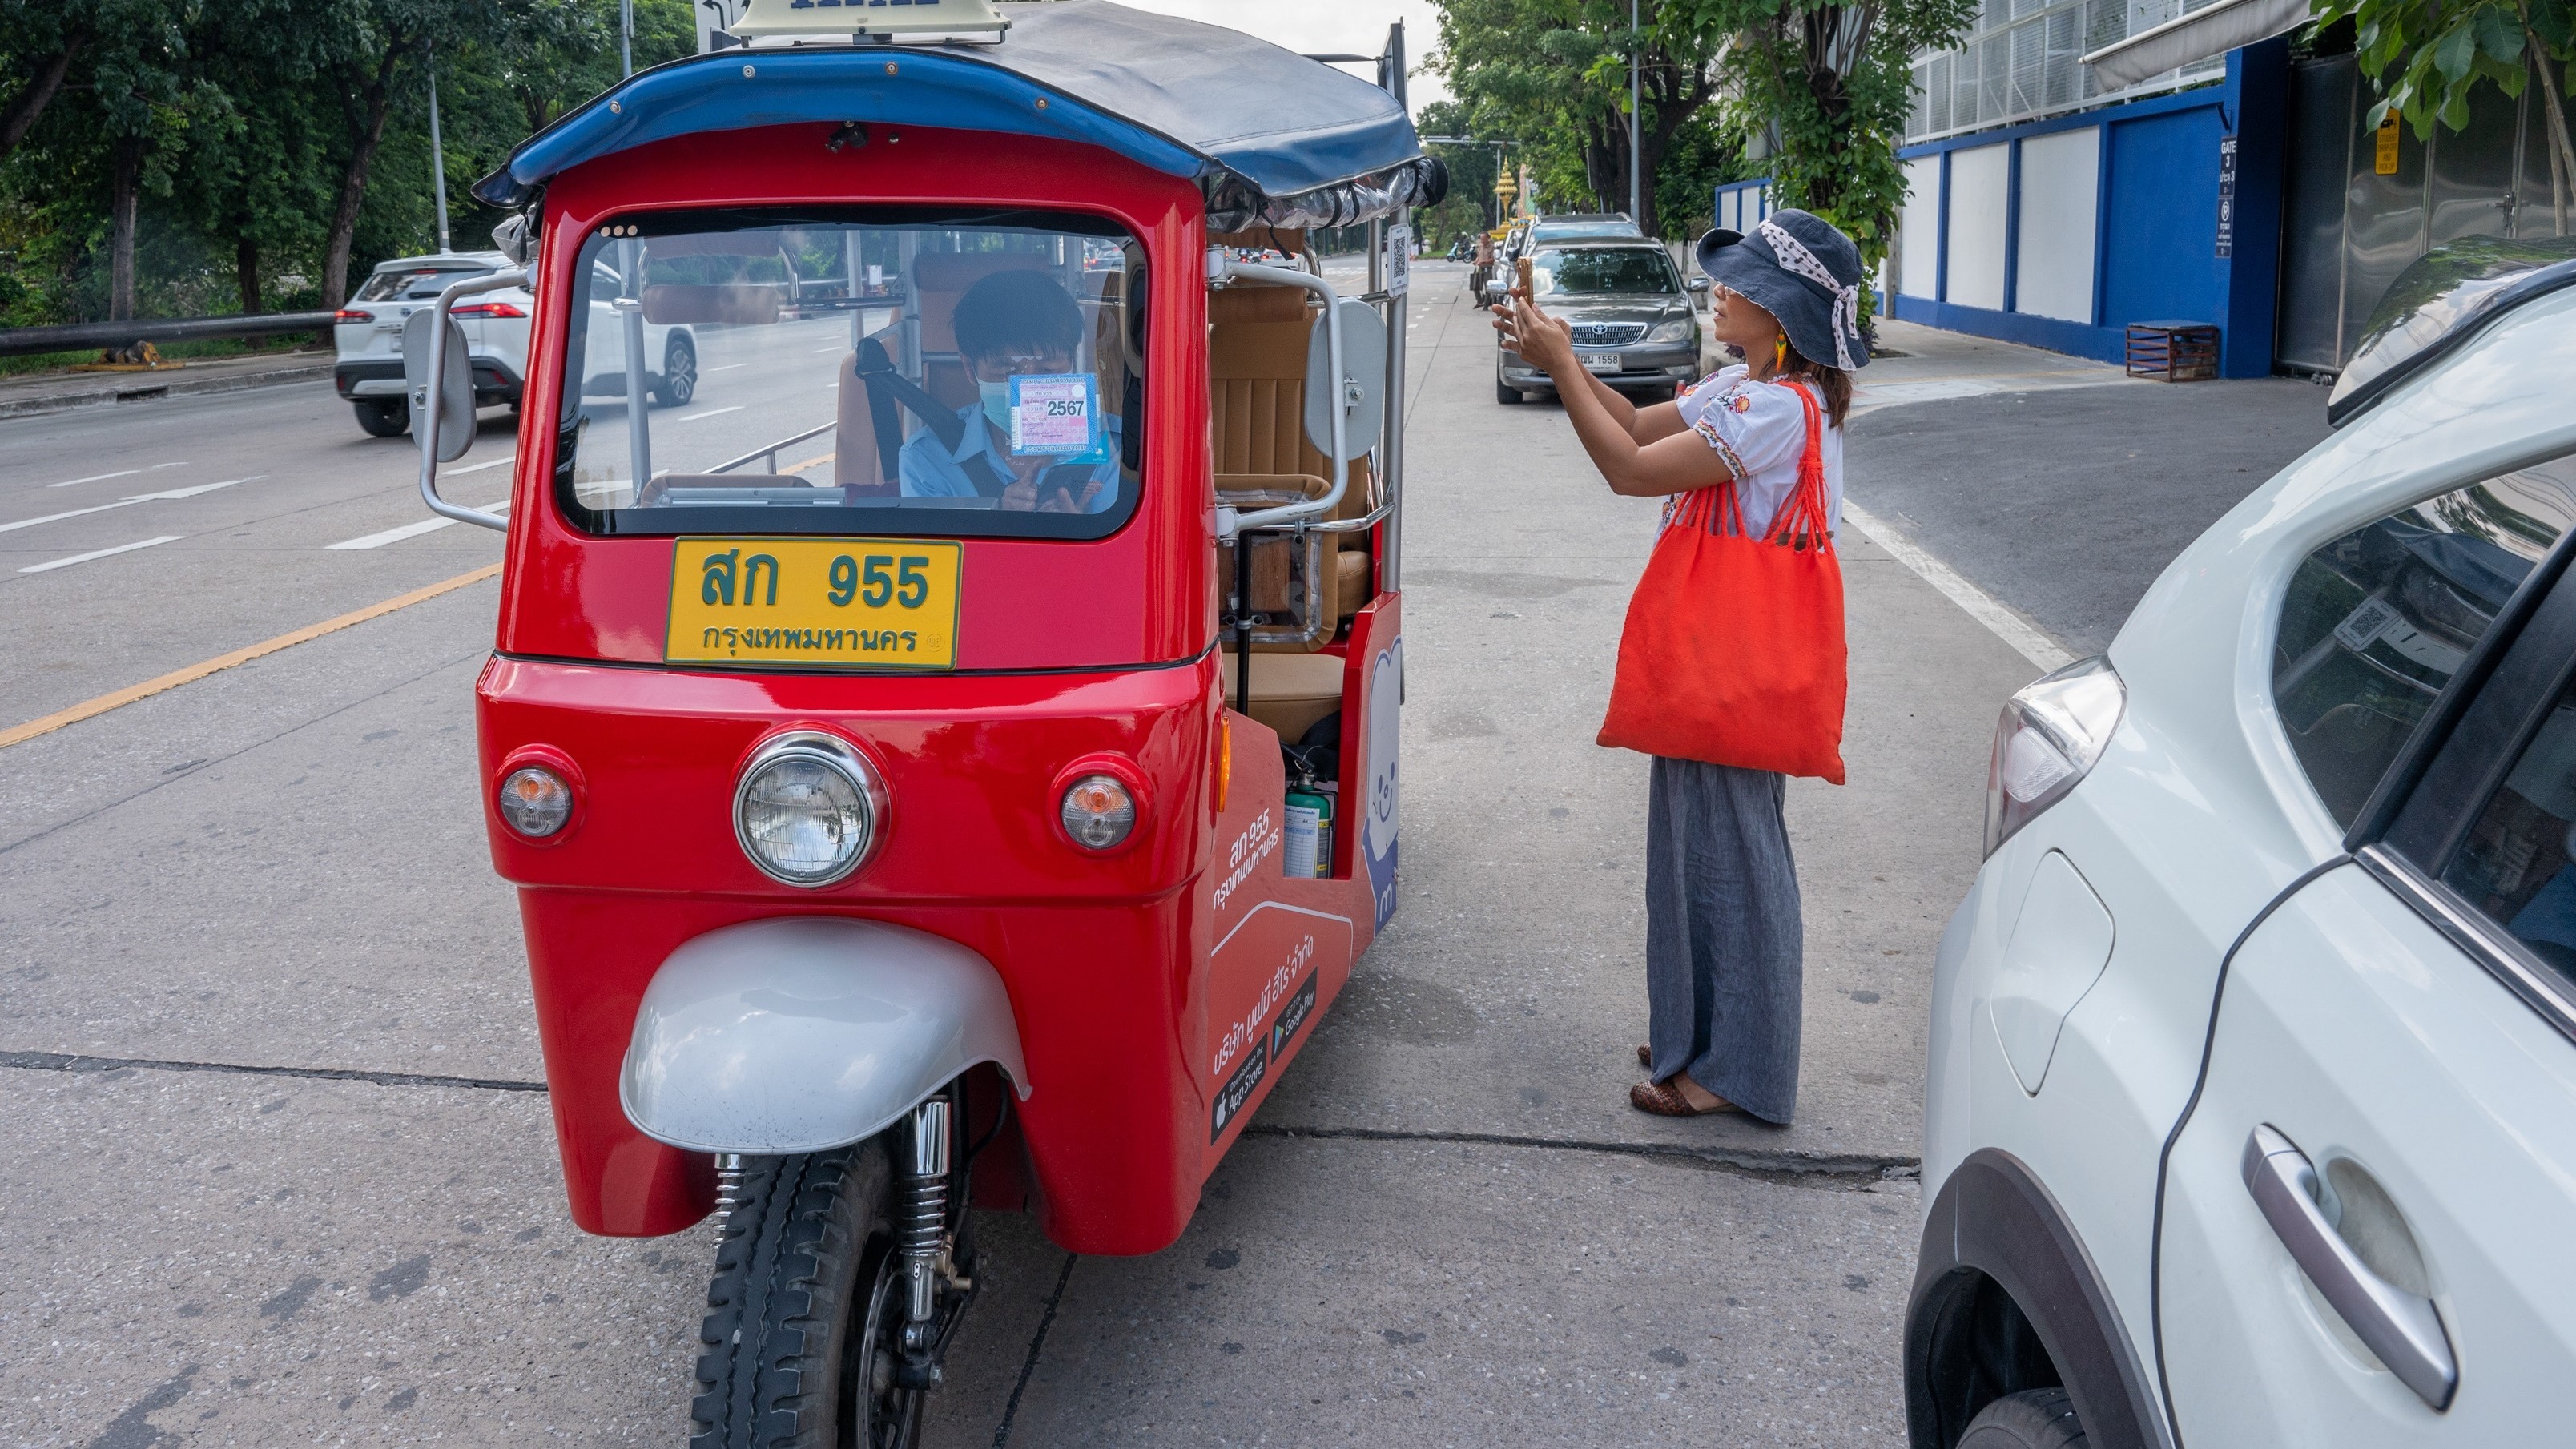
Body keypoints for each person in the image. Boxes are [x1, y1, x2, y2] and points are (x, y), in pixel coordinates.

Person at [1491, 208, 1867, 1124]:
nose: (1720, 293)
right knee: (1696, 852)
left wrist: (1556, 367)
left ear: (1783, 316)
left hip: (1737, 667)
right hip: (1713, 662)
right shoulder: (1745, 386)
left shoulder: (1780, 410)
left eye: (1740, 286)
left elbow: (1626, 468)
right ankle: (1700, 1036)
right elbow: (1634, 422)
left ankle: (1744, 1069)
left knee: (1737, 861)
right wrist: (1568, 361)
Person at [899, 268, 1119, 513]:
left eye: (1047, 369)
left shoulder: (1114, 446)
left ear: (1072, 364)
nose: (1026, 387)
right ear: (970, 369)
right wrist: (999, 525)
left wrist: (1088, 536)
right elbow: (939, 550)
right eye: (1007, 370)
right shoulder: (927, 458)